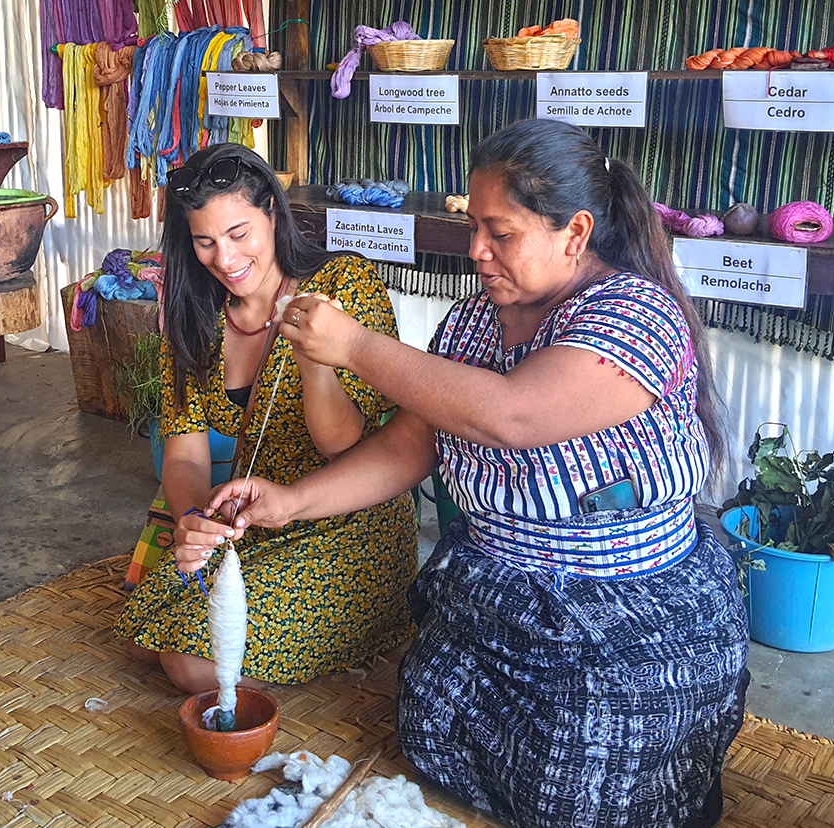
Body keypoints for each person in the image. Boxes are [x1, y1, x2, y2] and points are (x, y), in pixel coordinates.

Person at [195, 120, 751, 828]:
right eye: (473, 226)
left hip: (620, 612)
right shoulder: (472, 325)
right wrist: (290, 502)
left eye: (501, 232)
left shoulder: (638, 316)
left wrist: (354, 346)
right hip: (497, 595)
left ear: (575, 233)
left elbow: (510, 416)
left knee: (580, 786)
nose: (476, 251)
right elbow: (410, 446)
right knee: (429, 732)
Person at [113, 143, 418, 695]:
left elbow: (344, 448)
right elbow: (184, 452)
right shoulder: (194, 315)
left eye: (238, 235)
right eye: (205, 242)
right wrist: (192, 523)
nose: (224, 260)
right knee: (140, 635)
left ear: (272, 216)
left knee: (190, 664)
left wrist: (316, 368)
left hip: (347, 520)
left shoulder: (344, 288)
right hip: (252, 520)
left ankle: (358, 624)